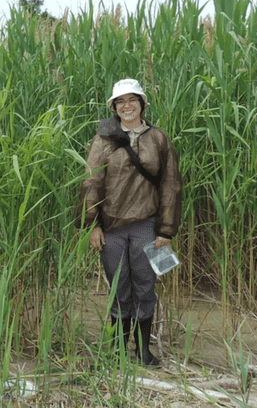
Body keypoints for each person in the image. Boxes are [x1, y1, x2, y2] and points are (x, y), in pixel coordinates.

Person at [77, 78, 182, 366]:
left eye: (132, 100)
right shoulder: (103, 140)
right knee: (118, 287)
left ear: (142, 104)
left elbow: (171, 185)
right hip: (111, 228)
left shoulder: (159, 139)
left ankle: (144, 352)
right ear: (113, 106)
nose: (127, 106)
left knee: (145, 286)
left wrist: (166, 230)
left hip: (146, 226)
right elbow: (91, 182)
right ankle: (120, 351)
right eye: (120, 101)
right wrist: (92, 225)